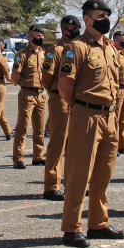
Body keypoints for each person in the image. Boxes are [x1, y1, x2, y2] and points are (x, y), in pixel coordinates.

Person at [58, 0, 124, 248]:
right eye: (100, 15)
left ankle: (98, 224)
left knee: (103, 176)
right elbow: (65, 85)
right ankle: (71, 228)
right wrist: (79, 108)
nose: (105, 18)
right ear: (87, 19)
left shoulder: (109, 48)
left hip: (110, 117)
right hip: (86, 116)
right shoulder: (76, 47)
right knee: (79, 174)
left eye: (107, 14)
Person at [41, 15, 82, 201]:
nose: (76, 31)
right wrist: (54, 95)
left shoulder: (80, 48)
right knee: (58, 142)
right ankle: (51, 186)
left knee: (75, 145)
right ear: (65, 29)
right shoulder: (54, 50)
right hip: (60, 99)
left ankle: (72, 184)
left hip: (77, 101)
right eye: (73, 28)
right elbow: (46, 79)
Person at [10, 26, 46, 168]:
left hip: (41, 95)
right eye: (38, 36)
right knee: (23, 127)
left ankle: (38, 156)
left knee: (39, 129)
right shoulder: (22, 54)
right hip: (27, 94)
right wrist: (25, 85)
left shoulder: (44, 53)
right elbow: (14, 77)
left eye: (43, 36)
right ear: (30, 37)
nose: (41, 38)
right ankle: (18, 158)